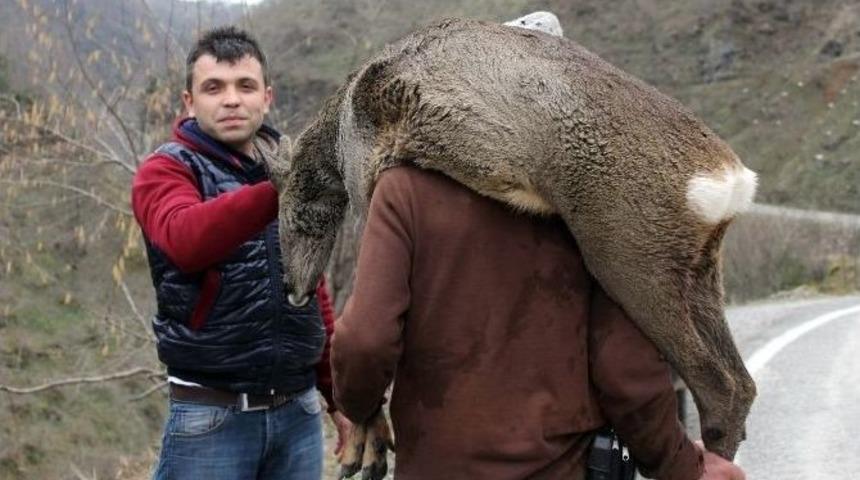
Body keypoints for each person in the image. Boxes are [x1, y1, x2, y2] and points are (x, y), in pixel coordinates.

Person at [331, 167, 746, 480]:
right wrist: (685, 467)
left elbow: (365, 341)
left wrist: (362, 407)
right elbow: (624, 370)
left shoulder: (404, 185)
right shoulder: (588, 194)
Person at [131, 26, 350, 480]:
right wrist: (282, 189)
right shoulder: (166, 169)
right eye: (214, 87)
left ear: (266, 97)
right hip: (212, 417)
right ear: (189, 102)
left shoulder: (287, 166)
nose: (231, 99)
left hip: (299, 416)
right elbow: (184, 240)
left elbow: (311, 288)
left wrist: (337, 399)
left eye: (245, 86)